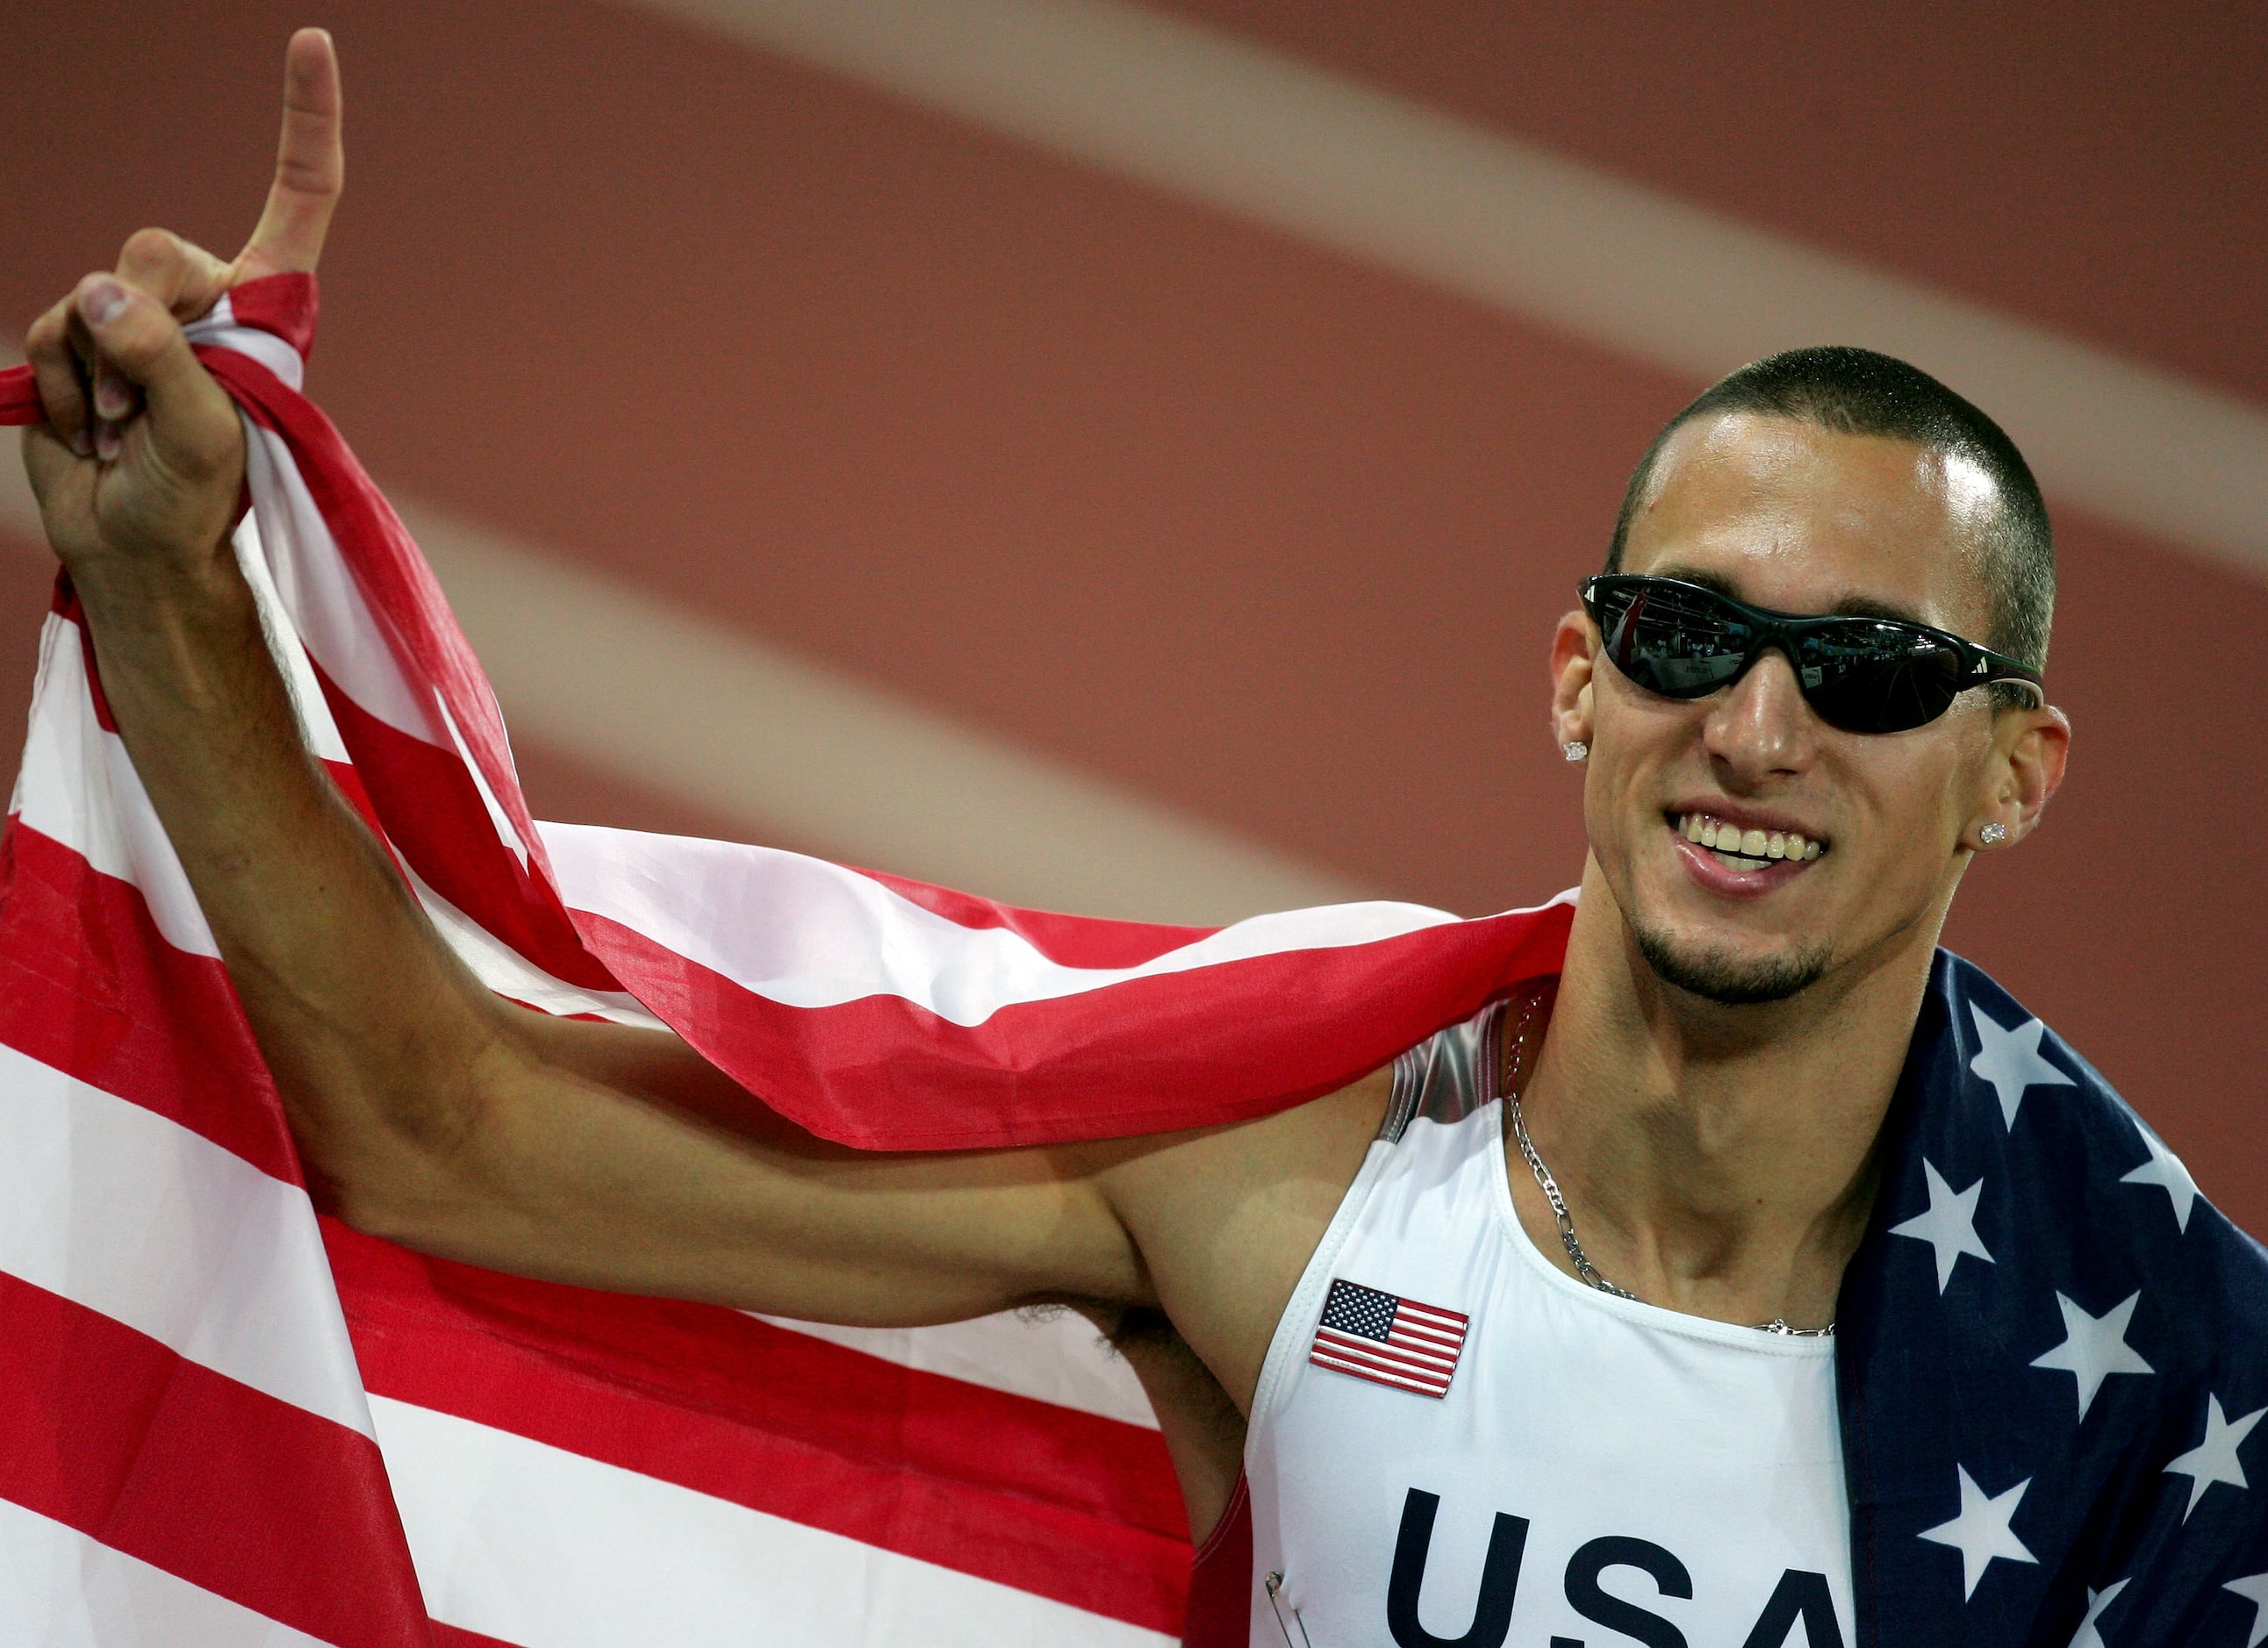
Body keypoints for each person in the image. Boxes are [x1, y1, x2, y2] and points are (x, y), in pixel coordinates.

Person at [24, 31, 2266, 1648]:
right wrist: (172, 579)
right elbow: (451, 1131)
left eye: (1868, 672)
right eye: (1687, 634)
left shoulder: (2154, 1427)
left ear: (2013, 769)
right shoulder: (1277, 1175)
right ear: (1579, 679)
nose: (1755, 729)